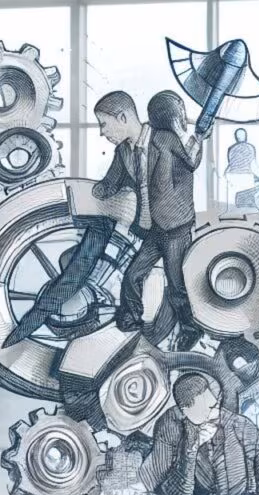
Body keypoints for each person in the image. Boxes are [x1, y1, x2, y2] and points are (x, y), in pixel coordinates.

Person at [92, 90, 204, 348]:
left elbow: (192, 160)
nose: (102, 132)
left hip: (176, 226)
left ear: (122, 117)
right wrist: (98, 192)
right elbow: (111, 181)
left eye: (103, 124)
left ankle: (190, 328)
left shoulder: (164, 139)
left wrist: (199, 135)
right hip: (152, 227)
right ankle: (131, 317)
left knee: (177, 284)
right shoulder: (123, 151)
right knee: (133, 275)